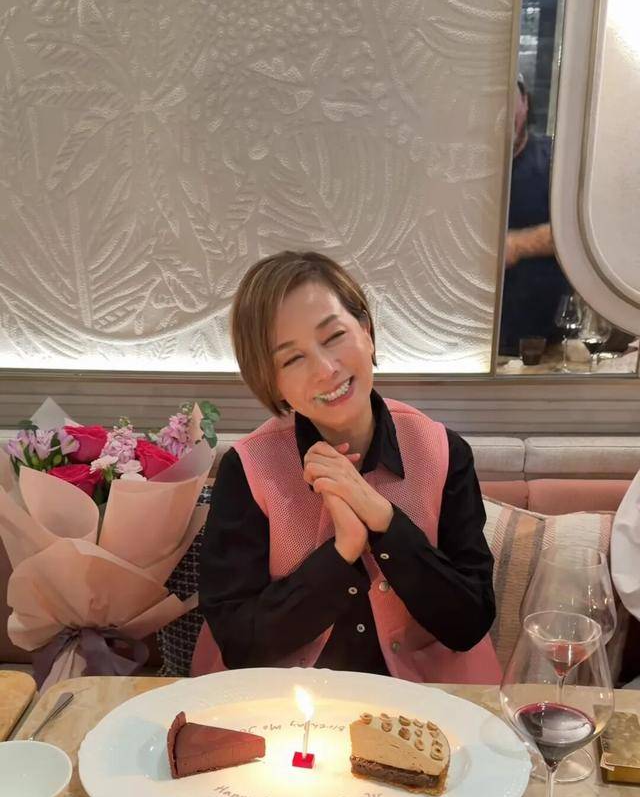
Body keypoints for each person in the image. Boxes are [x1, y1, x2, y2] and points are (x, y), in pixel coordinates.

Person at [193, 250, 501, 683]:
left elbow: (469, 622)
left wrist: (384, 521)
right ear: (271, 382)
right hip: (286, 704)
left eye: (334, 335)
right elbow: (242, 644)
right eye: (291, 359)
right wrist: (343, 551)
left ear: (367, 331)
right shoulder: (247, 468)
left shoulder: (443, 451)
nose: (326, 369)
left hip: (425, 703)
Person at [499, 77, 570, 356]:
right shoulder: (457, 165)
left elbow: (587, 231)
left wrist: (517, 245)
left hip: (548, 344)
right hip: (467, 344)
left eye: (510, 100)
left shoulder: (558, 161)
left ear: (525, 103)